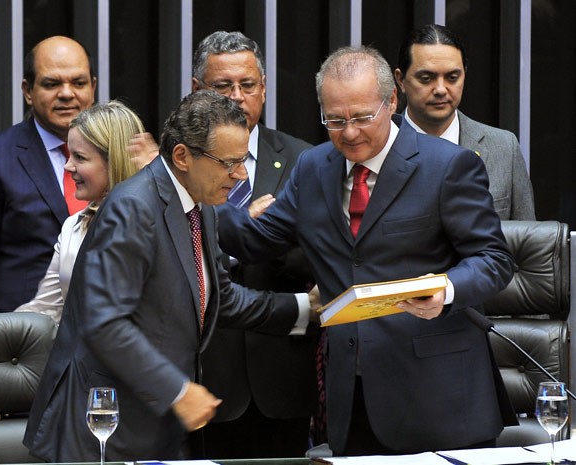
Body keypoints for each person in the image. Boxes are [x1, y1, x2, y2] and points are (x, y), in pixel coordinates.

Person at [216, 45, 517, 456]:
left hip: (439, 397)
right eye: (335, 120)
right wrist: (192, 195)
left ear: (392, 100)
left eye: (361, 117)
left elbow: (495, 261)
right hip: (353, 397)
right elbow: (255, 240)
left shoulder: (448, 165)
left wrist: (445, 288)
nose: (350, 132)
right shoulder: (313, 167)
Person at [23, 90, 319, 463]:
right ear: (182, 156)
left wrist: (304, 309)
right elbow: (106, 323)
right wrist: (178, 391)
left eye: (242, 160)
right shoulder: (133, 208)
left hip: (157, 424)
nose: (241, 174)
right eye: (229, 163)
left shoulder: (202, 204)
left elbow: (220, 299)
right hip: (102, 426)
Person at [189, 30, 316, 459]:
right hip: (203, 374)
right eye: (223, 87)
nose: (237, 98)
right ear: (197, 91)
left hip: (284, 372)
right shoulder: (180, 164)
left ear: (264, 88)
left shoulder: (305, 161)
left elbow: (317, 257)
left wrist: (266, 236)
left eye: (247, 85)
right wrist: (234, 237)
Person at [0, 36, 96, 316]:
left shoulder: (119, 153)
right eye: (52, 83)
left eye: (78, 83)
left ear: (93, 87)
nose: (67, 93)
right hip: (26, 343)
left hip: (106, 338)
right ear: (28, 91)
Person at [15, 100, 144, 323]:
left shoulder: (156, 225)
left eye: (80, 157)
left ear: (114, 161)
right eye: (70, 155)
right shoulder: (73, 225)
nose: (68, 166)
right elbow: (44, 310)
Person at [394, 23, 535, 220]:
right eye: (426, 78)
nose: (441, 89)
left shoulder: (503, 148)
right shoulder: (380, 146)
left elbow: (529, 241)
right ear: (401, 80)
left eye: (452, 77)